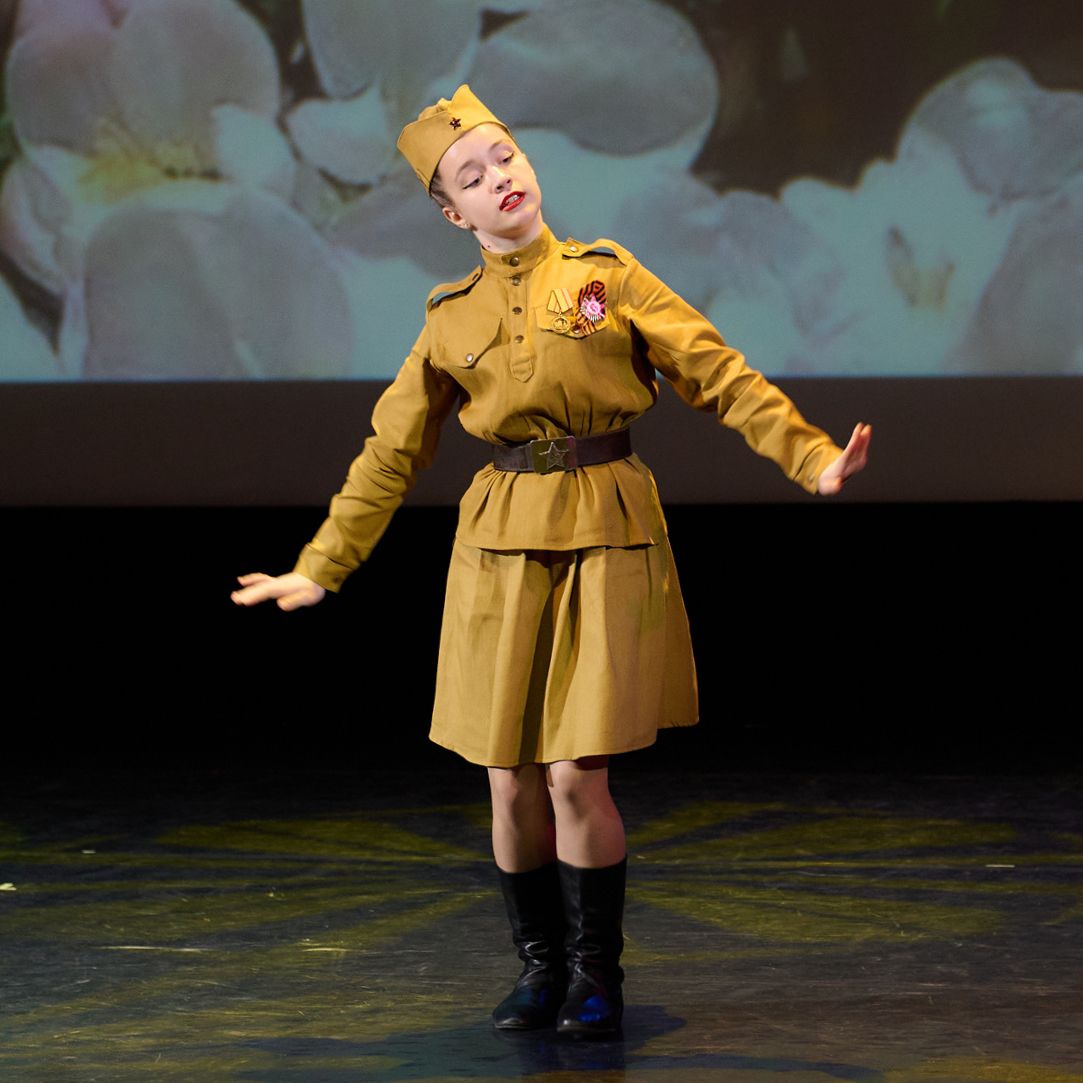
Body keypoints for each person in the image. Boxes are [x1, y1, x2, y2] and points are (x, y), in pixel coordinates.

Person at [232, 86, 871, 1037]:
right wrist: (321, 565)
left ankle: (593, 972)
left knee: (576, 773)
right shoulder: (448, 317)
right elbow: (390, 451)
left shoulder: (606, 275)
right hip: (498, 543)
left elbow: (716, 371)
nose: (499, 177)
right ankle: (538, 967)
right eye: (471, 177)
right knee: (508, 777)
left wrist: (809, 456)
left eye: (505, 155)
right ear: (452, 214)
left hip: (605, 527)